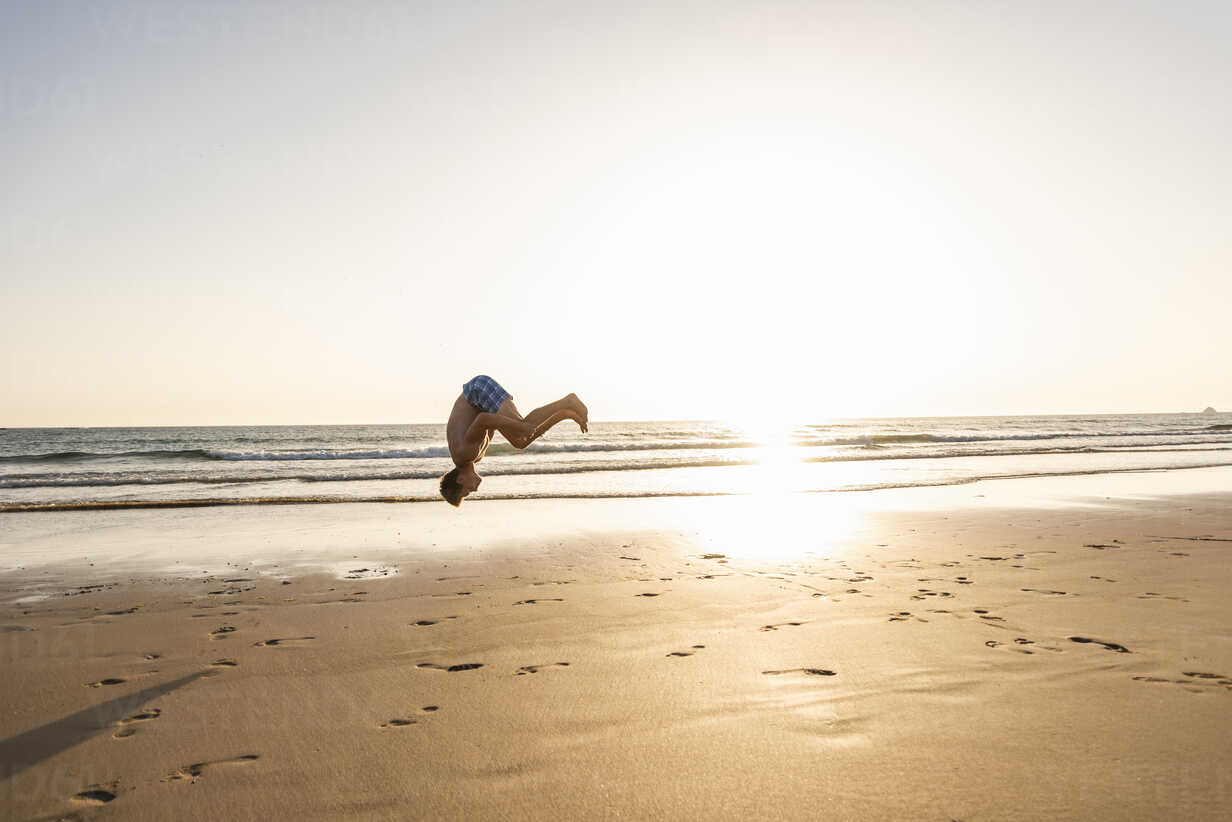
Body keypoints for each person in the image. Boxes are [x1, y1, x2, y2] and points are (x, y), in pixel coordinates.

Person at [440, 375, 587, 506]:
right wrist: (522, 429)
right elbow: (489, 424)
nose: (474, 490)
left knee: (520, 429)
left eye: (466, 492)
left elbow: (483, 419)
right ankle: (565, 413)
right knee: (520, 442)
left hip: (477, 391)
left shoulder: (464, 454)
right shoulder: (473, 458)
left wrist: (520, 427)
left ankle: (568, 401)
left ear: (460, 480)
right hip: (479, 403)